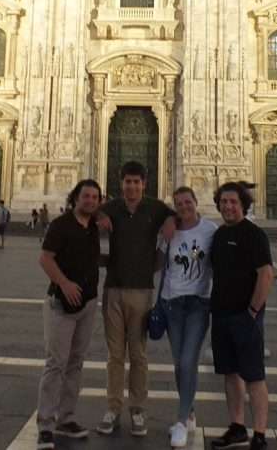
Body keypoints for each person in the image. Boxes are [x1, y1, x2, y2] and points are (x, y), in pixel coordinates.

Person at [94, 161, 175, 438]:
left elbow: (177, 217)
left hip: (141, 291)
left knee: (138, 354)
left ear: (144, 184)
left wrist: (157, 260)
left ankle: (138, 409)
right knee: (114, 355)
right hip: (113, 289)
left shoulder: (155, 207)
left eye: (136, 182)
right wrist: (98, 217)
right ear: (122, 183)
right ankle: (113, 408)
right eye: (127, 182)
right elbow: (83, 209)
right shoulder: (112, 207)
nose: (132, 186)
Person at [35, 180, 103, 449]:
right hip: (60, 304)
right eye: (85, 196)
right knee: (56, 364)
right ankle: (45, 425)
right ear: (76, 198)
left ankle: (66, 417)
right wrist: (64, 283)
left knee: (75, 362)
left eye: (94, 197)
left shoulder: (94, 226)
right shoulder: (61, 225)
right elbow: (45, 258)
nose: (90, 200)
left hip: (87, 304)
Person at [208, 181, 273, 450]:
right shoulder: (220, 235)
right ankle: (237, 427)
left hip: (245, 316)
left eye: (233, 202)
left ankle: (259, 434)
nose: (228, 206)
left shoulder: (254, 234)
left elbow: (266, 274)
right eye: (224, 202)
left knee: (254, 376)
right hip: (221, 314)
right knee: (230, 374)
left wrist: (252, 312)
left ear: (243, 205)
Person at [162, 187, 217, 447]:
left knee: (187, 361)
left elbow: (220, 266)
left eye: (188, 202)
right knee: (179, 363)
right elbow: (159, 261)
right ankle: (190, 410)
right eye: (179, 203)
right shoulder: (171, 231)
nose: (184, 206)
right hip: (172, 303)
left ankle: (182, 421)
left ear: (196, 202)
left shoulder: (210, 231)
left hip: (198, 304)